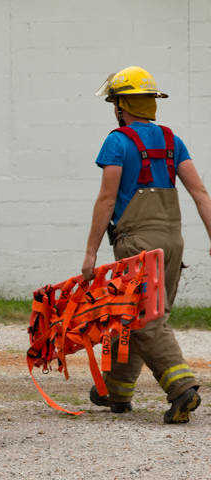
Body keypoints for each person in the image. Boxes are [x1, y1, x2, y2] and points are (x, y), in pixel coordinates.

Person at [82, 66, 211, 424]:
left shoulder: (117, 142)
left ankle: (181, 387)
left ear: (120, 106)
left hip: (137, 244)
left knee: (143, 318)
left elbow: (107, 199)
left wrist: (90, 252)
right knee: (132, 315)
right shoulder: (172, 140)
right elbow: (200, 192)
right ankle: (116, 390)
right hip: (171, 242)